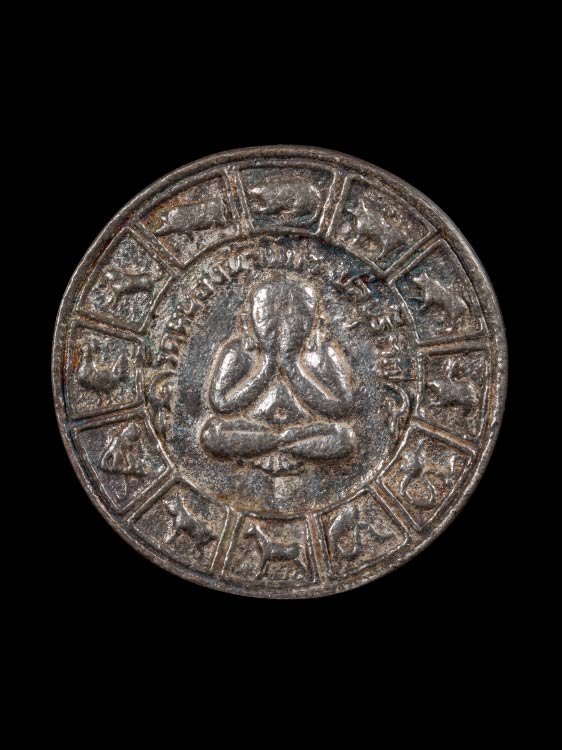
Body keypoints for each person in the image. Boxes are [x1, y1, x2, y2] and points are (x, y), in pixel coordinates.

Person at [200, 279, 356, 473]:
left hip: (305, 433)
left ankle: (277, 443)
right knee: (212, 434)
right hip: (253, 431)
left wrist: (292, 365)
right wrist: (268, 363)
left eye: (296, 317)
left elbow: (341, 408)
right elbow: (221, 405)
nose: (281, 327)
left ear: (315, 323)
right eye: (267, 317)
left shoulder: (323, 353)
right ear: (248, 322)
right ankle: (280, 443)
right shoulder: (237, 351)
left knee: (344, 438)